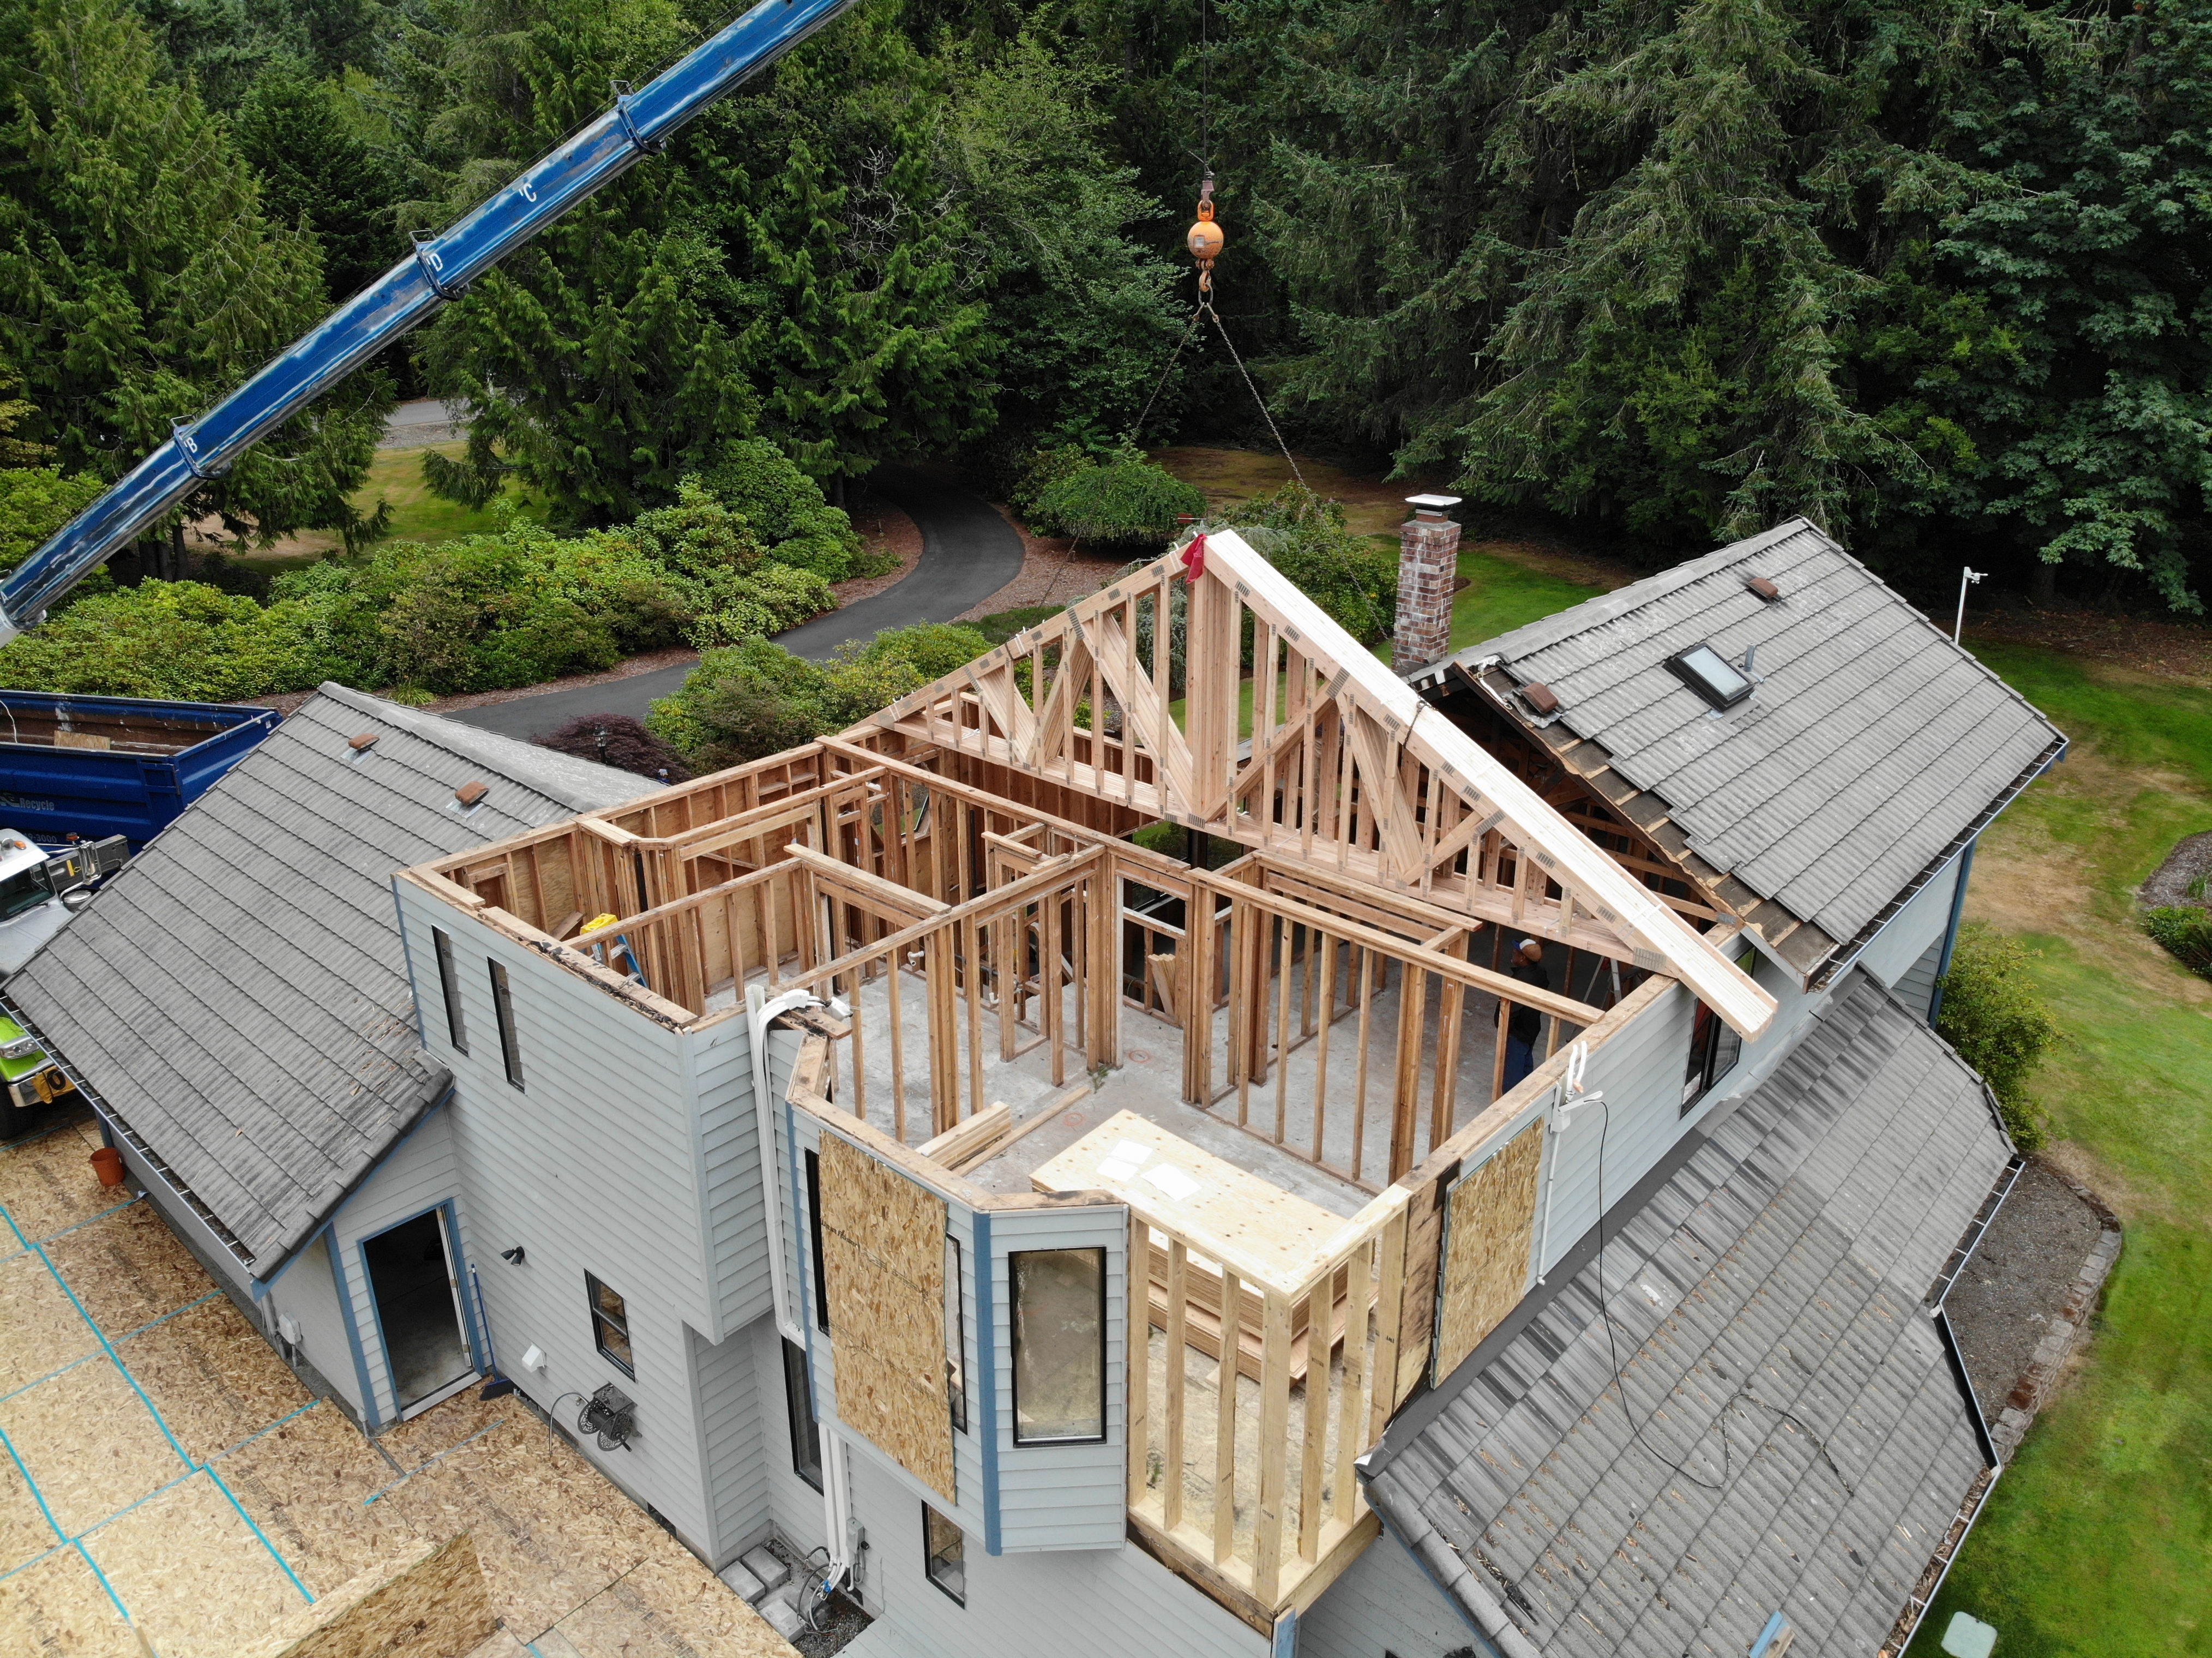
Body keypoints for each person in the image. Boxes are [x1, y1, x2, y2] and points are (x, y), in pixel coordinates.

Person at [1502, 938, 1549, 1090]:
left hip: (1519, 1031)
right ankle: (1527, 1091)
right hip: (1532, 1027)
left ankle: (1512, 1101)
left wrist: (1505, 1029)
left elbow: (1512, 1008)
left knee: (1513, 1069)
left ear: (1523, 958)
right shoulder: (1540, 972)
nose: (1513, 954)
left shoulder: (1521, 980)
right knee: (1525, 1059)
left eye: (1516, 953)